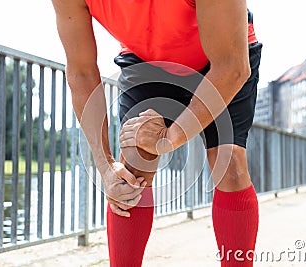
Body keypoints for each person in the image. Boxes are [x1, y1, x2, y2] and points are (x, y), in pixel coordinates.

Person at [51, 0, 262, 266]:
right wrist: (105, 167)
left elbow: (232, 67)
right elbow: (81, 74)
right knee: (131, 168)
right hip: (147, 59)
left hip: (222, 57)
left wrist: (170, 137)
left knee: (229, 162)